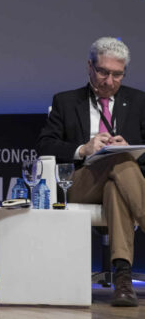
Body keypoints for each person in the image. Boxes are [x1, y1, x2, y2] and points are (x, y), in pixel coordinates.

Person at [36, 37, 145, 307]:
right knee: (119, 163)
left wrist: (130, 149)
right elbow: (44, 144)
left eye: (117, 74)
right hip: (81, 183)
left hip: (123, 185)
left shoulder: (139, 101)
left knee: (119, 173)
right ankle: (122, 277)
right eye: (103, 72)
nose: (109, 81)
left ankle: (122, 279)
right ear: (89, 67)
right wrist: (83, 149)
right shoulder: (66, 101)